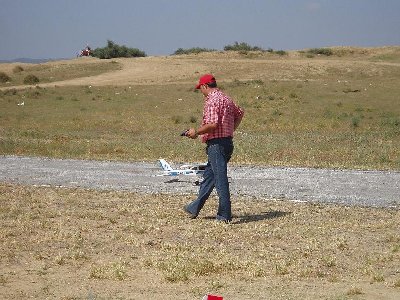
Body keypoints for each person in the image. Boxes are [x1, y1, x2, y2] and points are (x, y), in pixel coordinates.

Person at [183, 74, 244, 222]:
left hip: (216, 145)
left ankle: (224, 215)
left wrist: (196, 132)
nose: (201, 92)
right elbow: (240, 113)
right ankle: (194, 207)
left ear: (204, 86)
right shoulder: (226, 98)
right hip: (227, 143)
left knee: (220, 179)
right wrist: (230, 130)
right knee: (209, 178)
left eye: (200, 89)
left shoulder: (211, 100)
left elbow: (212, 125)